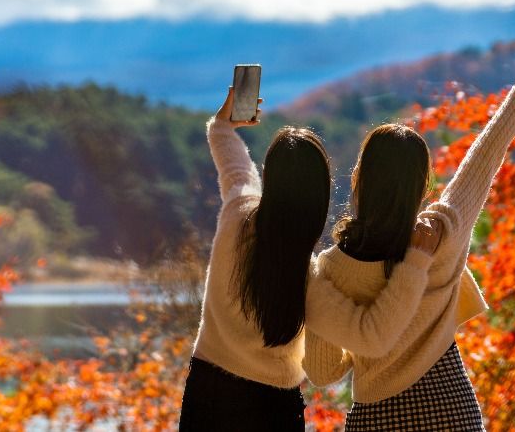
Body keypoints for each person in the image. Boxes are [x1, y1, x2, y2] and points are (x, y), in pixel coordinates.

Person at [304, 32, 515, 431]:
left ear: (360, 179)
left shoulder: (333, 268)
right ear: (422, 185)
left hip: (377, 419)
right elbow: (486, 155)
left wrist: (361, 336)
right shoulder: (441, 232)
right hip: (451, 408)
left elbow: (323, 372)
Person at [181, 86, 442, 432]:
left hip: (206, 392)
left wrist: (223, 124)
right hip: (269, 410)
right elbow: (373, 336)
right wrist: (416, 264)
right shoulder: (308, 280)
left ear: (269, 177)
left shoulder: (238, 212)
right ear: (320, 198)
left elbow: (234, 164)